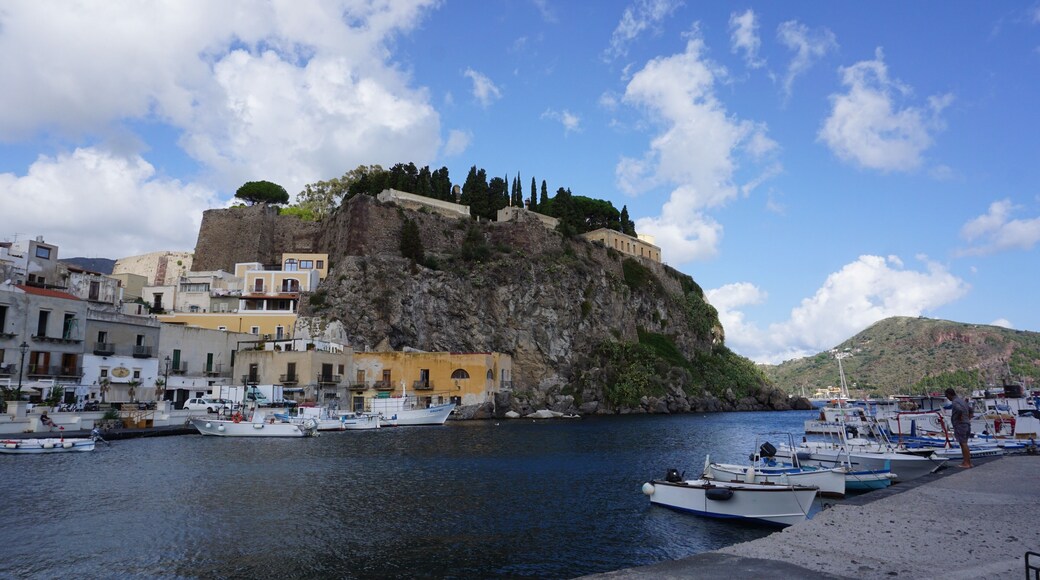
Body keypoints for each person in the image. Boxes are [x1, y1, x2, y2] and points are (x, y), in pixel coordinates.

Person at [945, 387, 973, 468]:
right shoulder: (962, 401)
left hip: (960, 425)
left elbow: (959, 409)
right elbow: (971, 409)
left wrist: (960, 417)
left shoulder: (955, 402)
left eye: (947, 396)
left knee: (963, 443)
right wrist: (968, 418)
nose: (947, 398)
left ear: (949, 395)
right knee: (965, 443)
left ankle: (966, 463)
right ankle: (968, 462)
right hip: (966, 423)